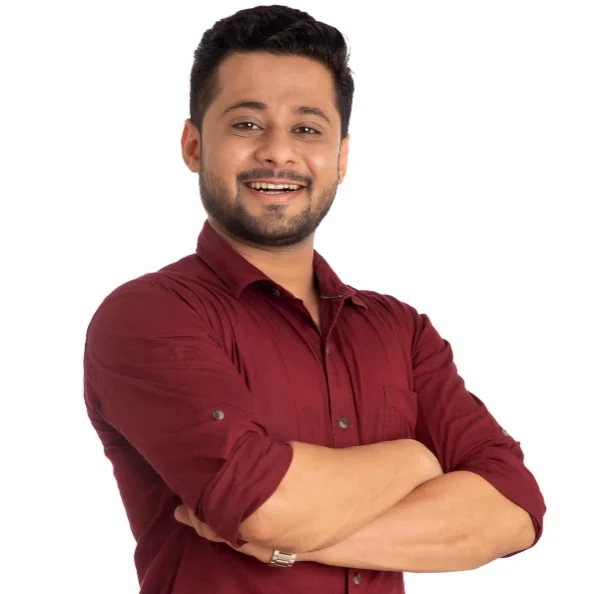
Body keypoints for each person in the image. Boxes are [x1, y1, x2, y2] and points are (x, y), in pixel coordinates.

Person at [83, 5, 545, 593]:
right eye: (247, 125)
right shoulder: (148, 316)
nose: (279, 152)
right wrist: (414, 458)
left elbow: (513, 509)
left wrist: (283, 549)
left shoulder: (401, 332)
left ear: (341, 157)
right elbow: (264, 507)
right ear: (194, 144)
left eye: (307, 129)